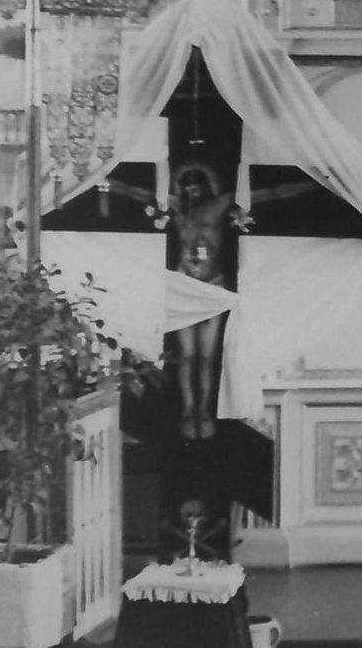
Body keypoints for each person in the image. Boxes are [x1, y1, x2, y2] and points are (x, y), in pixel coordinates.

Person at [106, 161, 315, 442]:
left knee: (206, 358)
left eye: (195, 188)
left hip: (212, 287)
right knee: (187, 357)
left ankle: (203, 410)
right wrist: (108, 181)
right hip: (184, 287)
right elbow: (137, 193)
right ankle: (188, 409)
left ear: (206, 186)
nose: (191, 193)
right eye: (186, 188)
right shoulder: (175, 207)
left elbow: (269, 194)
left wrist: (309, 185)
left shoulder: (219, 205)